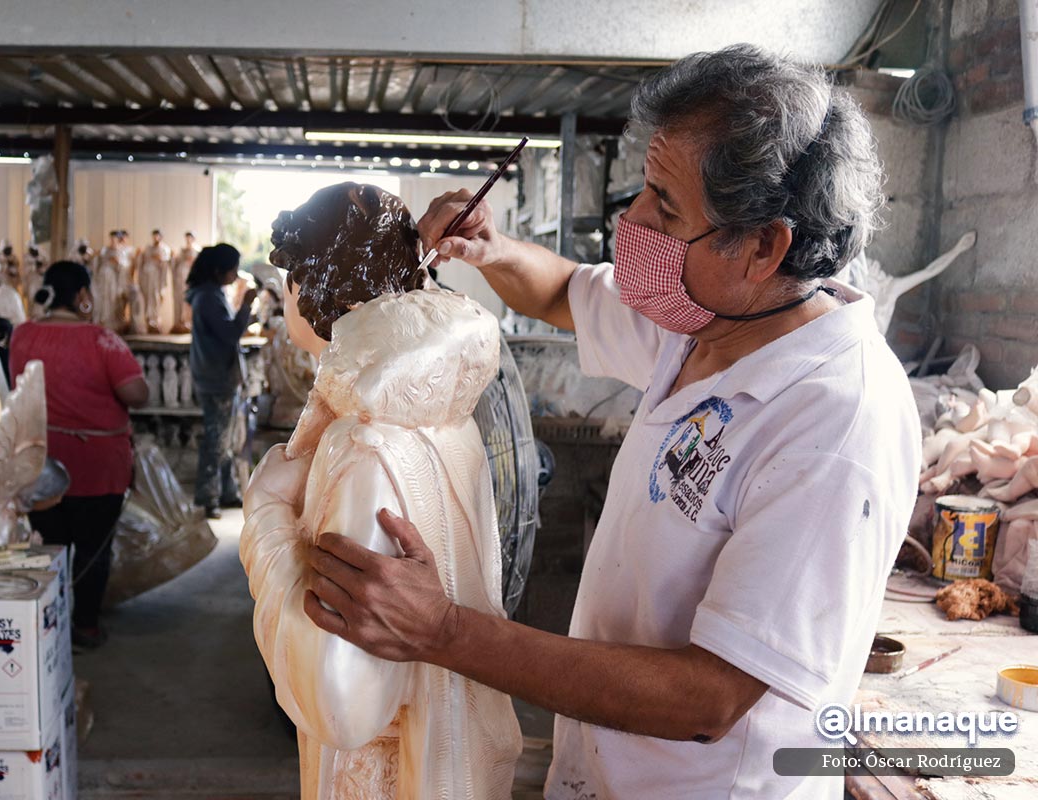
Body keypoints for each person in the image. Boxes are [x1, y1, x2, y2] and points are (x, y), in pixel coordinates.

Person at [302, 45, 922, 799]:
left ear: (764, 246)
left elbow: (708, 699)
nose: (635, 220)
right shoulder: (706, 315)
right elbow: (564, 293)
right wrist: (489, 250)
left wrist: (444, 631)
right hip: (596, 772)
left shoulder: (835, 421)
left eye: (666, 205)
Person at [240, 182, 522, 798]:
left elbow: (342, 704)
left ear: (313, 288)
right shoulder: (443, 409)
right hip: (452, 748)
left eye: (288, 279)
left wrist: (265, 515)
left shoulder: (363, 442)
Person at [9, 260, 149, 649]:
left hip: (37, 461)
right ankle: (85, 626)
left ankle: (42, 626)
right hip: (96, 465)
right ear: (84, 295)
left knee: (44, 546)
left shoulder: (22, 335)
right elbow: (137, 394)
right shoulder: (101, 340)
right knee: (92, 548)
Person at [185, 243, 256, 518]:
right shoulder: (208, 298)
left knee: (226, 439)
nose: (236, 275)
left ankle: (226, 493)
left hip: (217, 376)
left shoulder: (210, 294)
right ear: (218, 271)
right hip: (216, 379)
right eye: (233, 269)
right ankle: (208, 497)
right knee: (216, 440)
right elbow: (229, 334)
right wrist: (246, 306)